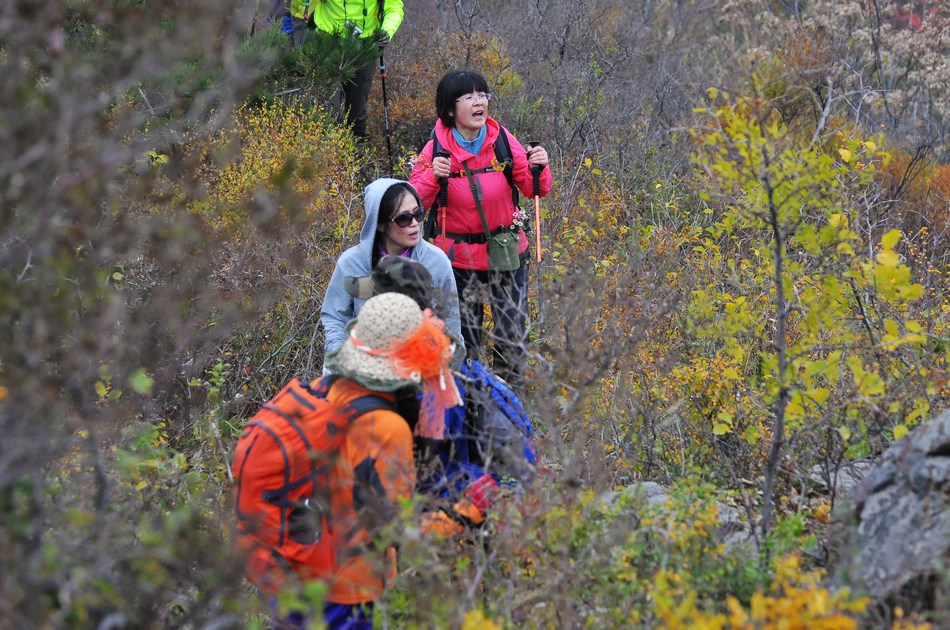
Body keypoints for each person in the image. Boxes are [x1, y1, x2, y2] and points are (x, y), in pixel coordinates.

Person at [260, 292, 464, 628]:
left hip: (287, 572)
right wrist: (462, 515)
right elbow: (396, 533)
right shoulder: (387, 428)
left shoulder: (320, 389)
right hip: (345, 592)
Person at [345, 257, 537, 532]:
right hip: (464, 499)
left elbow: (414, 469)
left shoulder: (415, 376)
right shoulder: (449, 354)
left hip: (439, 511)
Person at [409, 69, 552, 389]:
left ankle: (509, 400)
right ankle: (470, 401)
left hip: (506, 254)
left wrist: (539, 166)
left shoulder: (500, 138)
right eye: (469, 97)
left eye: (483, 95)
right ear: (449, 109)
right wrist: (434, 175)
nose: (479, 103)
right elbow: (412, 203)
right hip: (459, 261)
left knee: (512, 334)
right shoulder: (436, 149)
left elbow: (533, 188)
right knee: (464, 337)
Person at [321, 178, 463, 366]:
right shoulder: (352, 263)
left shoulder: (436, 262)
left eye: (418, 214)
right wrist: (341, 359)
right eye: (404, 218)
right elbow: (335, 317)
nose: (415, 224)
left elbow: (450, 325)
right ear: (379, 224)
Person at [286, 0, 404, 139]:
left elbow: (394, 7)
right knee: (328, 110)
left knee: (357, 111)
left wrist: (386, 32)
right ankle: (327, 155)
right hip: (327, 42)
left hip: (364, 47)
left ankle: (356, 154)